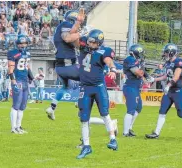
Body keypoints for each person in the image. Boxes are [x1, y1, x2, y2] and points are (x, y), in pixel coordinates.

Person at [76, 29, 118, 159]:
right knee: (83, 118)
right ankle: (86, 146)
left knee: (104, 113)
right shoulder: (84, 46)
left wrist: (113, 69)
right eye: (89, 41)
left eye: (93, 42)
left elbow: (108, 60)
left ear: (99, 43)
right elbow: (70, 39)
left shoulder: (103, 51)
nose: (90, 43)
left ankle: (112, 139)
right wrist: (79, 25)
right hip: (85, 87)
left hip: (98, 87)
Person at [145, 43, 182, 139]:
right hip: (169, 91)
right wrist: (154, 79)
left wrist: (168, 85)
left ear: (171, 53)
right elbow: (166, 76)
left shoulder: (179, 62)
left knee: (181, 113)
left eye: (166, 52)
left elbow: (175, 77)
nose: (165, 54)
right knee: (162, 111)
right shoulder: (167, 63)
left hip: (177, 91)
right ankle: (156, 133)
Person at [45, 9, 85, 120]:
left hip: (60, 66)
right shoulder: (65, 24)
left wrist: (79, 33)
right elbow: (67, 38)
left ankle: (52, 107)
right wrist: (81, 32)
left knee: (66, 87)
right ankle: (80, 104)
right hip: (67, 65)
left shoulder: (64, 28)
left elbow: (78, 46)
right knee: (87, 77)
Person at [7, 35, 34, 134]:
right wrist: (13, 81)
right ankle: (13, 128)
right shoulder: (13, 53)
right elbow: (10, 69)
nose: (23, 45)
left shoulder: (27, 53)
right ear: (17, 44)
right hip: (18, 80)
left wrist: (31, 77)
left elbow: (27, 66)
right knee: (16, 105)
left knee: (23, 106)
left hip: (25, 80)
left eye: (24, 43)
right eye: (21, 43)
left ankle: (19, 126)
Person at [122, 44, 149, 137]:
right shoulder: (130, 59)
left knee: (138, 108)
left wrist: (147, 78)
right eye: (140, 53)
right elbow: (138, 73)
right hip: (130, 86)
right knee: (131, 109)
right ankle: (125, 132)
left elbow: (142, 74)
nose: (142, 55)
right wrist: (142, 69)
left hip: (135, 87)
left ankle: (129, 128)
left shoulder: (136, 60)